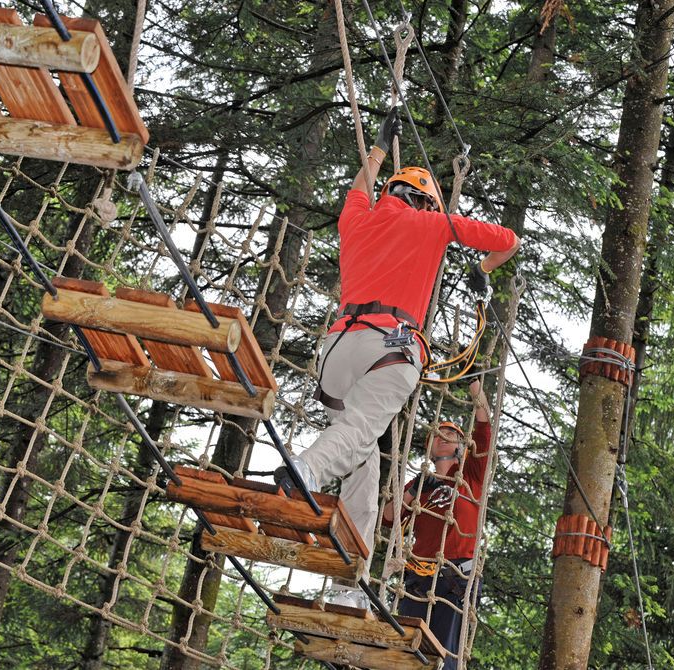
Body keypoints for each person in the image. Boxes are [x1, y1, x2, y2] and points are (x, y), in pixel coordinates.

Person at [273, 108, 520, 608]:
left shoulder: (357, 219)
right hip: (392, 346)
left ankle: (348, 586)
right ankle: (306, 472)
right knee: (361, 432)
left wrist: (380, 148)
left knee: (365, 466)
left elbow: (357, 189)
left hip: (337, 349)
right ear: (425, 202)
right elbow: (507, 241)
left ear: (391, 193)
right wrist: (482, 269)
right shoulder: (434, 223)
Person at [381, 380, 493, 669]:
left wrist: (477, 394)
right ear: (429, 446)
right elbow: (390, 517)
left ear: (461, 446)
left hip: (456, 575)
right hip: (419, 576)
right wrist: (416, 484)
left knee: (443, 657)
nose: (444, 436)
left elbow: (484, 430)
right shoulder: (420, 487)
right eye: (438, 433)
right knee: (408, 649)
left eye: (452, 434)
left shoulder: (470, 474)